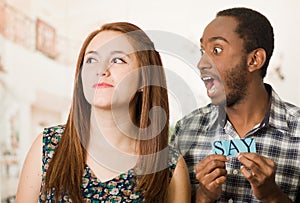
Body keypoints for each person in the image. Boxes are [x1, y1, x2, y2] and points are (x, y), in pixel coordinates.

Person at [16, 22, 191, 203]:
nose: (101, 70)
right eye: (91, 60)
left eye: (117, 60)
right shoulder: (47, 146)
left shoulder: (170, 166)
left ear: (144, 79)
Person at [170, 7, 300, 203]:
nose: (201, 63)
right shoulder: (185, 131)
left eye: (217, 50)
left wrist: (273, 196)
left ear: (254, 60)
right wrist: (203, 197)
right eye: (202, 51)